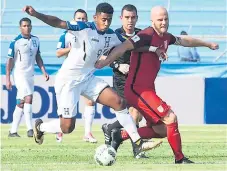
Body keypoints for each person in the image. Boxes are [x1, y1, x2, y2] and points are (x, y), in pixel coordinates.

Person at [23, 3, 162, 157]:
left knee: (119, 102)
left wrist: (153, 49)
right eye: (103, 19)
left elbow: (129, 46)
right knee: (67, 127)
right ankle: (41, 127)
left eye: (109, 19)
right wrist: (36, 14)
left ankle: (138, 142)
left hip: (88, 78)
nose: (106, 23)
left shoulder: (112, 35)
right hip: (68, 81)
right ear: (95, 17)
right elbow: (57, 22)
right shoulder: (84, 28)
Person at [95, 6, 219, 164]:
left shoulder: (165, 37)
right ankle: (179, 158)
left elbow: (183, 41)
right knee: (170, 118)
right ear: (152, 21)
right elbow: (124, 47)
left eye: (166, 19)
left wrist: (207, 44)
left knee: (161, 130)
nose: (163, 22)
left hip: (146, 89)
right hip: (137, 90)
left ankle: (120, 135)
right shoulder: (146, 34)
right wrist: (107, 62)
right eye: (160, 19)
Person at [101, 4, 148, 158]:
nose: (130, 20)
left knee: (137, 115)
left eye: (133, 17)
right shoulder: (113, 35)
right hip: (121, 80)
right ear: (121, 18)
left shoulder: (141, 35)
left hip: (138, 80)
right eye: (127, 17)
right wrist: (118, 65)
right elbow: (102, 57)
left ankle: (110, 128)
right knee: (134, 112)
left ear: (137, 18)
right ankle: (137, 150)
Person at [55, 9, 97, 143]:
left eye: (84, 18)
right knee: (65, 112)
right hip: (69, 77)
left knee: (90, 101)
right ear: (73, 20)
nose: (82, 21)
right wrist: (72, 49)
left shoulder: (90, 34)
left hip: (85, 74)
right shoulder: (67, 35)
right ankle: (59, 129)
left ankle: (87, 133)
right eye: (79, 18)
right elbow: (58, 53)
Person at [6, 17, 49, 138]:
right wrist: (8, 78)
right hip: (19, 74)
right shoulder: (15, 42)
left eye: (28, 25)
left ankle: (13, 131)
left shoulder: (36, 40)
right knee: (28, 98)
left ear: (31, 26)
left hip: (30, 74)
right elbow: (9, 61)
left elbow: (38, 57)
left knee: (21, 102)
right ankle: (30, 129)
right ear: (20, 27)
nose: (27, 28)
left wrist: (43, 71)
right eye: (24, 26)